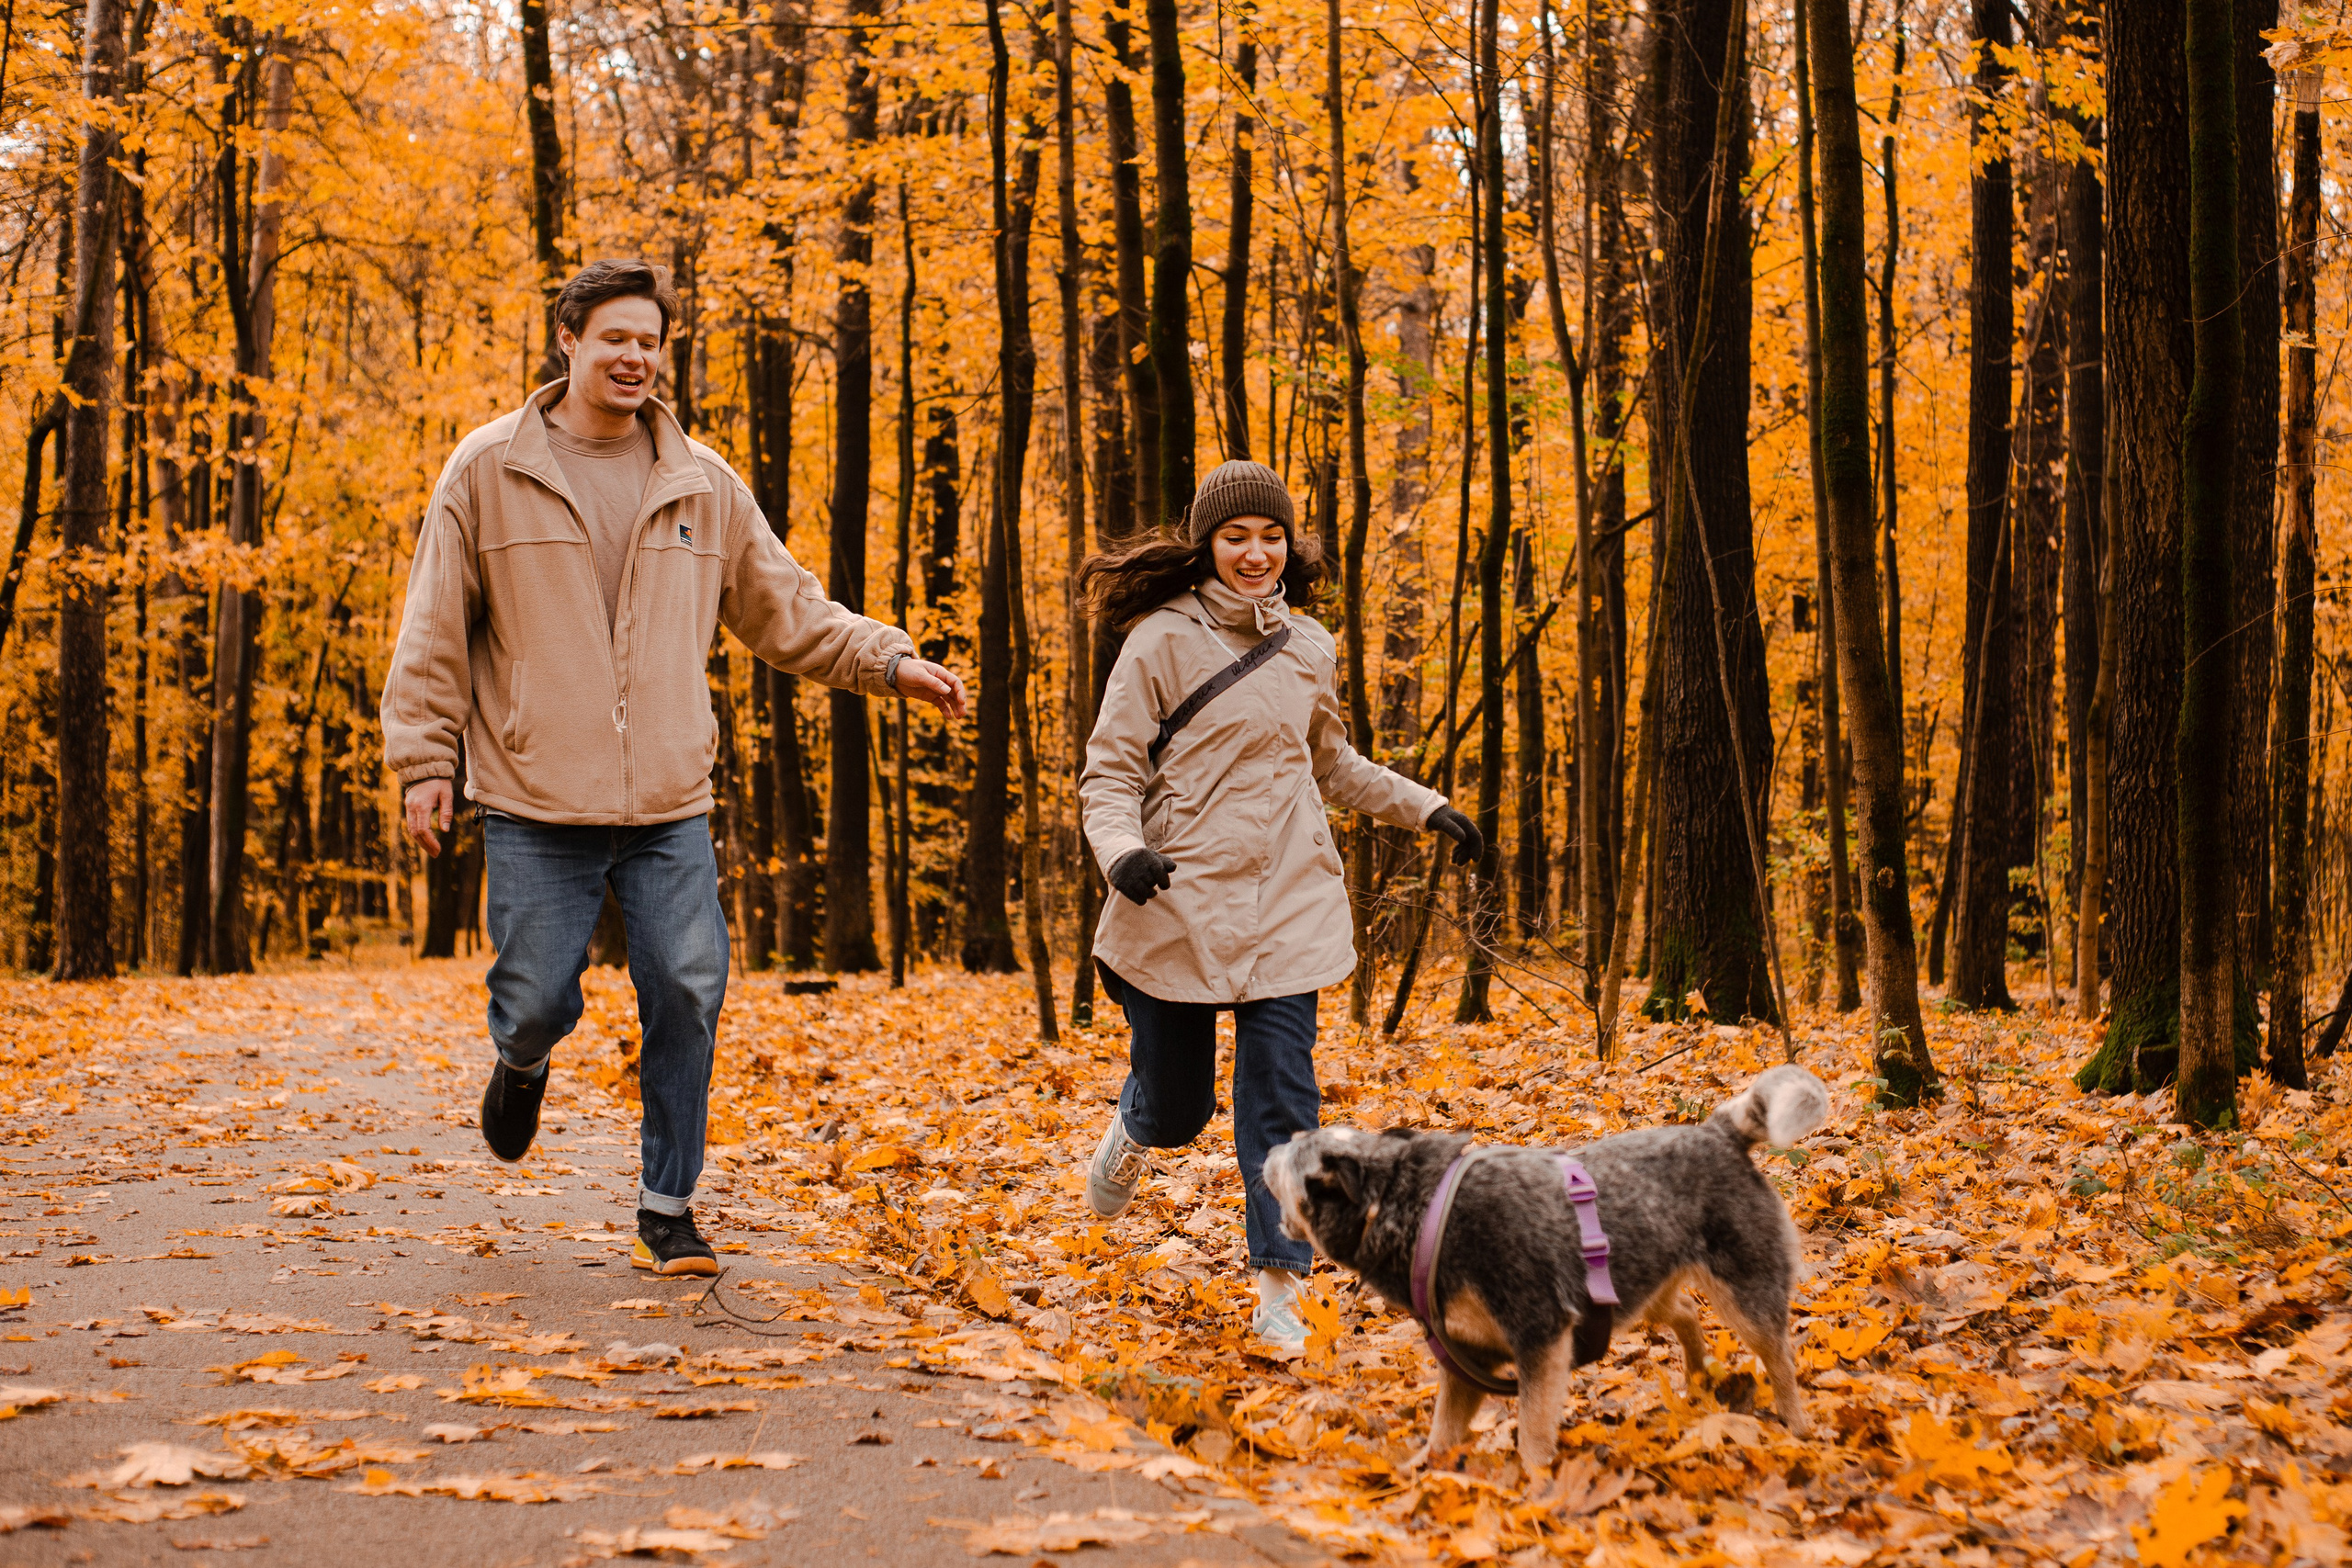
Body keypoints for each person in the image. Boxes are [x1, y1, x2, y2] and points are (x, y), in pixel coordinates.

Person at [380, 259, 966, 1278]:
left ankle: (669, 1206)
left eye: (649, 342)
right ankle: (521, 1060)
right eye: (615, 338)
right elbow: (434, 626)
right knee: (535, 997)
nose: (635, 358)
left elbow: (787, 608)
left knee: (689, 991)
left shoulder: (701, 479)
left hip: (667, 803)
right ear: (569, 339)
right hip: (534, 797)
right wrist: (426, 761)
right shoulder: (487, 468)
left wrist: (887, 660)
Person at [1075, 459, 1484, 1349]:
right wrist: (1122, 851)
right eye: (1236, 537)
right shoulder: (1159, 640)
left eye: (1271, 537)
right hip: (1177, 898)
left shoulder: (1308, 645)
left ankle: (1280, 1291)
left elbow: (1331, 763)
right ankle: (1137, 1122)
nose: (1255, 553)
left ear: (1288, 546)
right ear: (1207, 546)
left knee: (1280, 1097)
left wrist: (1424, 807)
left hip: (1287, 899)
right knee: (1179, 1107)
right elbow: (1109, 773)